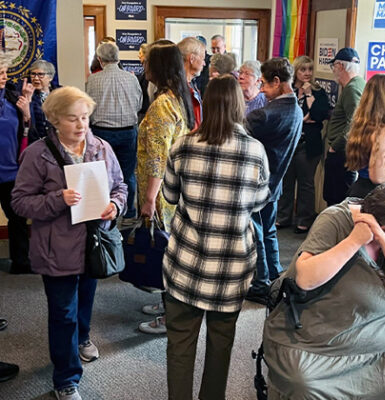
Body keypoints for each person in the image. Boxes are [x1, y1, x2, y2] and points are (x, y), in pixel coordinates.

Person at [11, 86, 127, 400]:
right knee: (63, 312)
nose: (81, 125)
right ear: (54, 120)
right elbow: (20, 203)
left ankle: (83, 337)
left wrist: (115, 206)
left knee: (86, 300)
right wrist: (57, 199)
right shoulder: (38, 153)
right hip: (56, 249)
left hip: (93, 244)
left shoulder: (101, 147)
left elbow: (120, 187)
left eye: (85, 118)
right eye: (72, 119)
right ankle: (66, 379)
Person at [163, 74, 270, 400]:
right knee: (221, 344)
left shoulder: (183, 145)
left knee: (180, 344)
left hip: (185, 264)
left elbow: (169, 195)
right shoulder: (254, 151)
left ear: (205, 106)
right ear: (240, 106)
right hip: (231, 267)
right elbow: (259, 201)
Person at [264, 182, 385, 399]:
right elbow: (306, 279)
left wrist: (383, 240)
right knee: (303, 383)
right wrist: (355, 241)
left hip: (382, 338)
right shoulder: (336, 219)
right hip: (321, 339)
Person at [137, 43, 194, 334]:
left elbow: (158, 158)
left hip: (161, 193)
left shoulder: (162, 105)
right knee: (168, 249)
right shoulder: (175, 96)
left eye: (147, 62)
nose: (143, 67)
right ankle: (166, 303)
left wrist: (149, 198)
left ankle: (169, 315)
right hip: (173, 188)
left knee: (163, 250)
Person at [246, 58, 303, 304]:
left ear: (277, 82)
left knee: (256, 233)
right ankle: (275, 273)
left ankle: (260, 285)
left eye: (265, 86)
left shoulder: (264, 115)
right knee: (268, 232)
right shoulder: (297, 110)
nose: (262, 91)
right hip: (275, 183)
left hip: (257, 184)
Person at [86, 42, 142, 223]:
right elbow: (139, 104)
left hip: (102, 134)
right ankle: (129, 213)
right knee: (127, 175)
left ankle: (104, 211)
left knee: (102, 175)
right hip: (128, 132)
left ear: (100, 60)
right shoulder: (132, 78)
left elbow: (89, 109)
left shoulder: (93, 80)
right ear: (118, 58)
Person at [277, 56, 330, 233]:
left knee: (306, 183)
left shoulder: (318, 92)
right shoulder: (288, 90)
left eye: (309, 69)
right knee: (286, 181)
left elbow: (318, 115)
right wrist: (302, 119)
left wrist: (308, 95)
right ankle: (283, 216)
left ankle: (304, 220)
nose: (307, 73)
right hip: (289, 142)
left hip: (308, 144)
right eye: (303, 70)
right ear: (296, 71)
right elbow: (284, 113)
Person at [0, 54, 34, 275]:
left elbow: (30, 131)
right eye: (0, 73)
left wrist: (27, 111)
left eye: (4, 72)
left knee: (18, 218)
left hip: (11, 170)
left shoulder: (13, 96)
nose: (4, 77)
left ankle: (21, 262)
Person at [323, 47, 365, 206]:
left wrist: (335, 146)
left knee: (335, 197)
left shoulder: (352, 89)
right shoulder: (360, 84)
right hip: (347, 152)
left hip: (342, 153)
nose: (334, 71)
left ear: (340, 66)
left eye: (334, 66)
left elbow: (354, 122)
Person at [347, 74, 385, 198]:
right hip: (376, 195)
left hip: (362, 189)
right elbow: (378, 176)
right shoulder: (383, 131)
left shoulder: (367, 124)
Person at [177, 37, 205, 130]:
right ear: (192, 59)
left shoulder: (192, 84)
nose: (204, 63)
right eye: (203, 58)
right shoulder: (176, 88)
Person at [28, 59, 60, 139]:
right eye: (33, 74)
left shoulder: (60, 94)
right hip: (37, 140)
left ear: (50, 77)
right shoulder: (28, 94)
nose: (35, 78)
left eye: (40, 74)